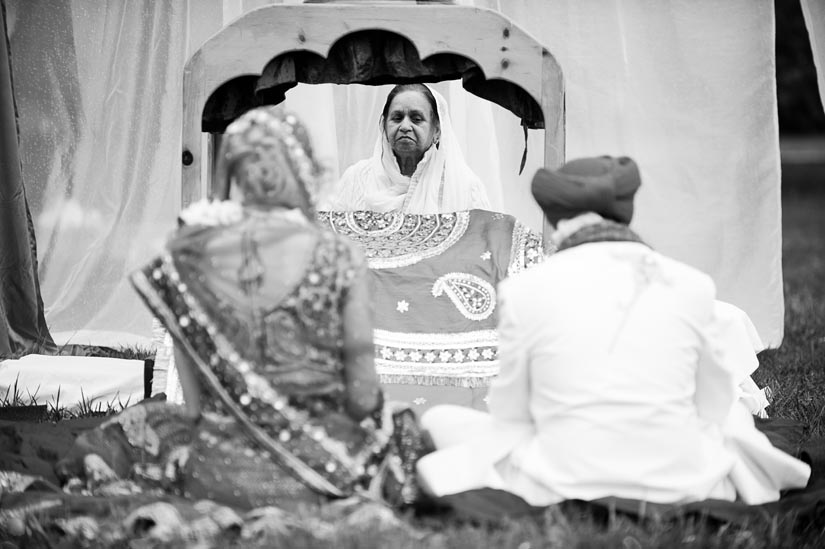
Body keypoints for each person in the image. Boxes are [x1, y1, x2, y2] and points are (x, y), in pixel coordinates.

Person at [56, 107, 430, 510]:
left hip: (214, 477)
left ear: (235, 173)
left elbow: (195, 408)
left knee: (148, 424)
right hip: (319, 479)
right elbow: (361, 398)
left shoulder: (191, 259)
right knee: (404, 424)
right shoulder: (340, 259)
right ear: (305, 171)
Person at [416, 156, 811, 510]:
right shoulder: (692, 284)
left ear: (556, 222)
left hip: (560, 476)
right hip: (681, 475)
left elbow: (510, 412)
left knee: (441, 421)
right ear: (624, 214)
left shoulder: (523, 291)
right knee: (731, 416)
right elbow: (712, 403)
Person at [322, 84, 491, 214]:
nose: (405, 126)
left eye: (416, 119)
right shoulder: (356, 179)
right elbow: (326, 236)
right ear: (384, 126)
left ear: (437, 131)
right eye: (397, 118)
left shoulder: (464, 186)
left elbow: (481, 246)